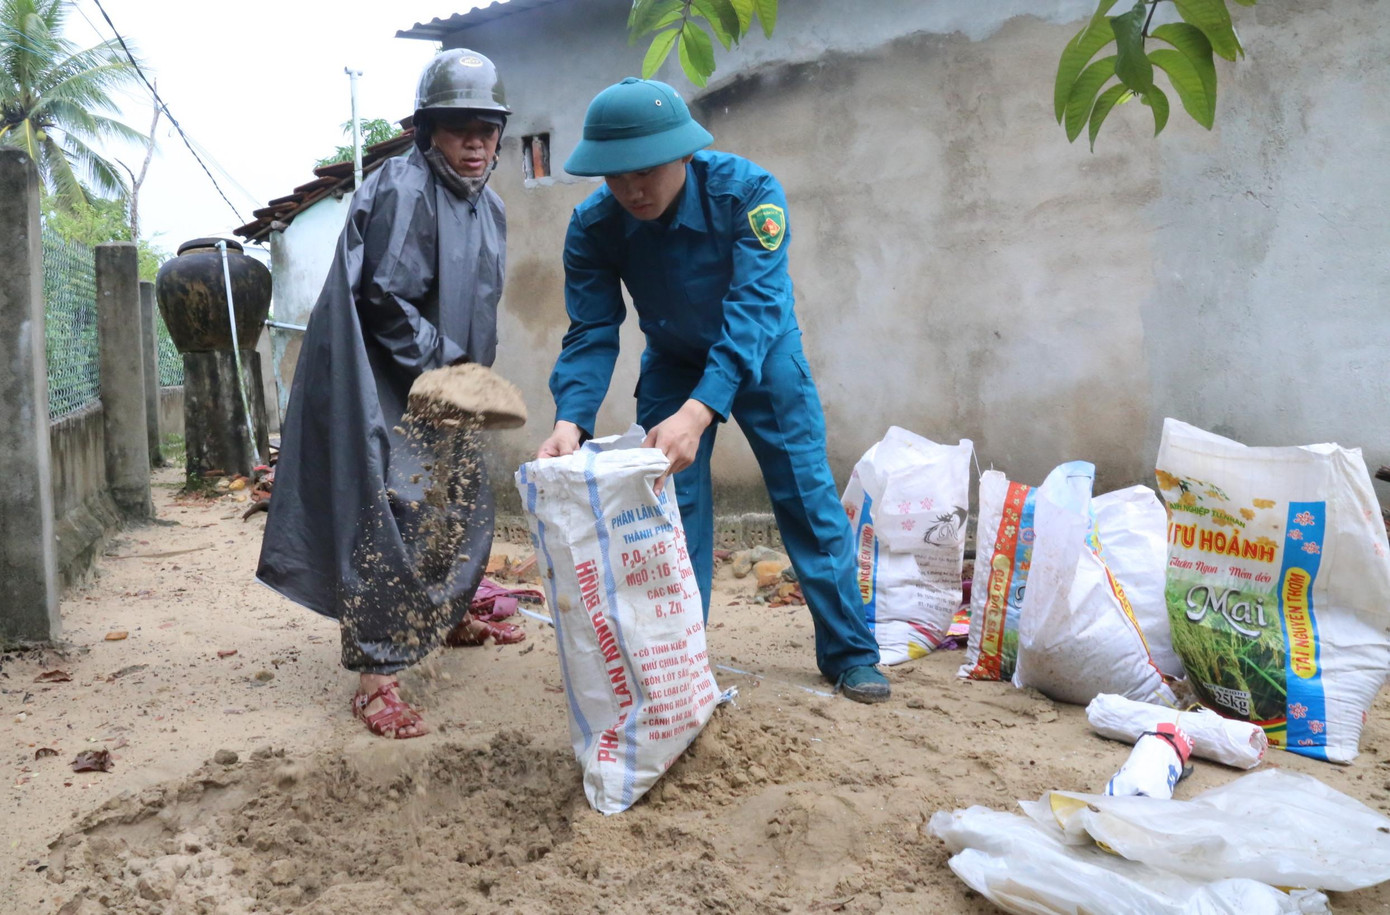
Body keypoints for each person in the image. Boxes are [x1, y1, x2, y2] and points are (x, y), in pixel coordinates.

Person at [536, 78, 890, 704]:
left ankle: (851, 653)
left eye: (645, 171)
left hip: (762, 356)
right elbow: (591, 327)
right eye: (614, 176)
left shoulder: (749, 195)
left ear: (684, 154)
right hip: (671, 361)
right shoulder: (594, 225)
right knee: (669, 514)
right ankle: (680, 660)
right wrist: (572, 420)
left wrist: (699, 413)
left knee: (806, 500)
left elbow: (755, 307)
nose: (631, 190)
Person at [257, 48, 522, 740]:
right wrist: (448, 371)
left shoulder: (489, 206)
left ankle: (450, 612)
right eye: (459, 126)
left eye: (486, 128)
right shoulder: (404, 188)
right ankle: (377, 680)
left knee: (459, 499)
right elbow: (384, 301)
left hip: (446, 385)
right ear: (428, 130)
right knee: (390, 515)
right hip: (383, 386)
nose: (475, 141)